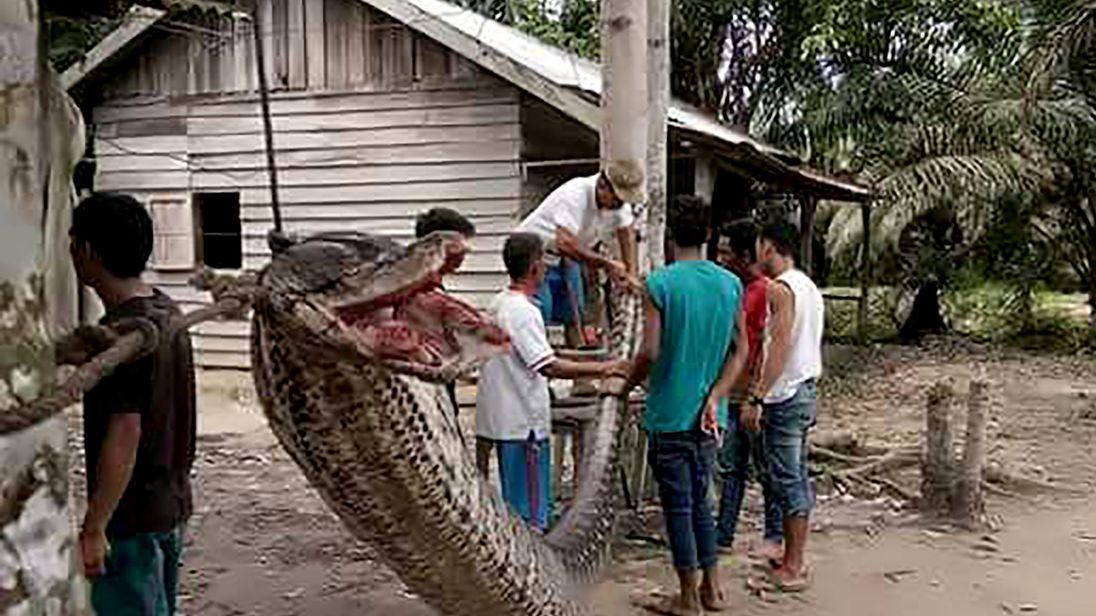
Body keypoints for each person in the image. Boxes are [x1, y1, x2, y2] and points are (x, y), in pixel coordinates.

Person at [614, 196, 749, 616]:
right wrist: (716, 395)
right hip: (710, 417)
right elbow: (741, 350)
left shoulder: (661, 284)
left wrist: (624, 384)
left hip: (670, 414)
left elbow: (650, 351)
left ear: (672, 237)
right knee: (701, 503)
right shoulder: (730, 283)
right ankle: (713, 589)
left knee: (678, 507)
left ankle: (687, 597)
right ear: (708, 235)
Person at [68, 192, 196, 616]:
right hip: (170, 505)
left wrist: (94, 527)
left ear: (87, 250)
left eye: (72, 241)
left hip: (132, 519)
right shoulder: (167, 312)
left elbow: (126, 430)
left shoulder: (123, 336)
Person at [475, 232, 628, 530]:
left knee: (516, 505)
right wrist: (606, 368)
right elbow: (549, 367)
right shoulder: (523, 312)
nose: (547, 269)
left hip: (503, 419)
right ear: (534, 268)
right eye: (544, 263)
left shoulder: (499, 303)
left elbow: (539, 355)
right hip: (523, 425)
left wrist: (592, 362)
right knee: (530, 516)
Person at [744, 220, 824, 592]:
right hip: (804, 388)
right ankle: (789, 554)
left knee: (789, 477)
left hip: (787, 394)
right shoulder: (808, 286)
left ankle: (794, 564)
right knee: (790, 474)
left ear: (769, 248)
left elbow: (780, 347)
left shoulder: (781, 289)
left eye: (759, 245)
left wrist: (757, 395)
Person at [714, 220, 783, 560]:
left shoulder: (764, 291)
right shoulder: (732, 288)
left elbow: (764, 349)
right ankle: (723, 533)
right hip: (731, 391)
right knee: (731, 468)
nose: (720, 258)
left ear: (744, 255)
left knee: (765, 467)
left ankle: (774, 533)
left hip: (752, 395)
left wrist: (755, 396)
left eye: (727, 252)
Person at [516, 164, 644, 346]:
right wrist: (607, 264)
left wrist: (631, 273)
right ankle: (539, 363)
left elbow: (626, 233)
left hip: (566, 256)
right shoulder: (576, 194)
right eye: (617, 199)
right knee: (539, 311)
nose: (619, 205)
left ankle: (575, 360)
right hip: (533, 255)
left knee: (575, 312)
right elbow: (565, 243)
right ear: (602, 186)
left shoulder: (618, 203)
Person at [413, 207, 477, 416]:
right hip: (425, 396)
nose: (467, 251)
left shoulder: (431, 283)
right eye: (461, 244)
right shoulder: (416, 289)